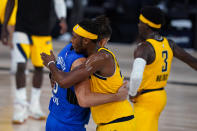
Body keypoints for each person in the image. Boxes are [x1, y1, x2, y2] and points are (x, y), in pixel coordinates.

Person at [41, 16, 136, 130]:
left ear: (86, 40)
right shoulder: (79, 53)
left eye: (75, 37)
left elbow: (65, 83)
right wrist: (53, 71)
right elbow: (62, 77)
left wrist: (51, 64)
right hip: (105, 123)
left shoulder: (101, 58)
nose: (71, 41)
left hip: (118, 122)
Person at [128, 6, 197, 131]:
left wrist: (132, 93)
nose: (138, 25)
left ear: (147, 26)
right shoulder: (169, 44)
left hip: (146, 99)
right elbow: (192, 61)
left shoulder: (144, 48)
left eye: (140, 22)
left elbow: (136, 76)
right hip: (160, 96)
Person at [1, 0, 67, 124]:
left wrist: (62, 18)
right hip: (21, 29)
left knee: (39, 68)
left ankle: (34, 106)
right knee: (20, 66)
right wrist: (4, 26)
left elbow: (59, 1)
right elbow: (10, 2)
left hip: (43, 31)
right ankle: (20, 108)